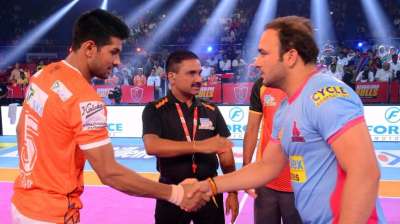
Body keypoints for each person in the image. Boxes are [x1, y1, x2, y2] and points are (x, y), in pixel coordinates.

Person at [11, 9, 208, 224]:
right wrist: (177, 194)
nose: (117, 61)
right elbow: (110, 173)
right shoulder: (85, 100)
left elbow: (21, 129)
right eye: (113, 52)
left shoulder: (43, 75)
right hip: (53, 214)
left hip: (22, 205)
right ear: (89, 48)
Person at [191, 16, 386, 223]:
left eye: (264, 53)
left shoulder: (327, 95)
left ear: (291, 56)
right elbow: (267, 167)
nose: (256, 62)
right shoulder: (286, 107)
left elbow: (365, 172)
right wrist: (209, 185)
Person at [142, 50, 239, 224]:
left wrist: (232, 192)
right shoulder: (155, 109)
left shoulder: (211, 110)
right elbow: (152, 146)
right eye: (191, 73)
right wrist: (199, 146)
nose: (199, 79)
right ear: (171, 77)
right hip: (172, 192)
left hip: (210, 190)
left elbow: (226, 157)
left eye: (200, 73)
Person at [243, 78, 301, 224]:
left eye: (264, 54)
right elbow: (252, 129)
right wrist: (246, 168)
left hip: (300, 183)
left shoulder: (309, 83)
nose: (257, 62)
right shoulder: (261, 84)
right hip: (265, 180)